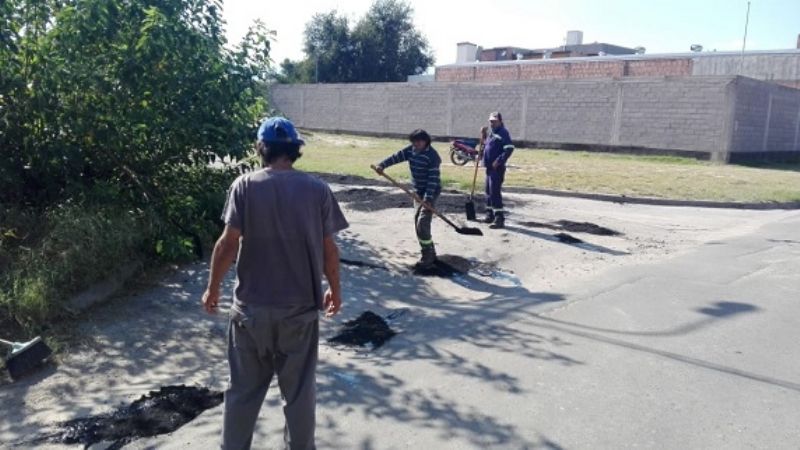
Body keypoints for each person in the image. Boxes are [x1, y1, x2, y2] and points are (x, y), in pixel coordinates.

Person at [202, 116, 349, 450]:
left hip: (250, 313)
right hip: (299, 314)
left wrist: (213, 287)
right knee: (299, 395)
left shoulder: (245, 186)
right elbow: (330, 249)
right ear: (295, 150)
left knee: (242, 393)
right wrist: (335, 291)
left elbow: (227, 244)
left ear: (261, 148)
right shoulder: (317, 190)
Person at [374, 129, 442, 268]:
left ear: (425, 141)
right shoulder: (411, 150)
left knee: (422, 223)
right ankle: (430, 252)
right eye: (413, 142)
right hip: (417, 191)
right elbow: (396, 157)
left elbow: (433, 179)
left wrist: (428, 198)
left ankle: (428, 257)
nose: (416, 144)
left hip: (431, 191)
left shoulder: (432, 156)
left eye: (419, 141)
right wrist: (382, 165)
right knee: (417, 222)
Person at [482, 112, 515, 229]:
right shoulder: (492, 133)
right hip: (489, 168)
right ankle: (489, 214)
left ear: (500, 121)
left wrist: (499, 161)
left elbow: (509, 149)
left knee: (494, 192)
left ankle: (499, 218)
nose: (492, 123)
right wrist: (484, 136)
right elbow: (487, 146)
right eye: (491, 121)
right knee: (488, 191)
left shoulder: (503, 132)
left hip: (497, 168)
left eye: (495, 121)